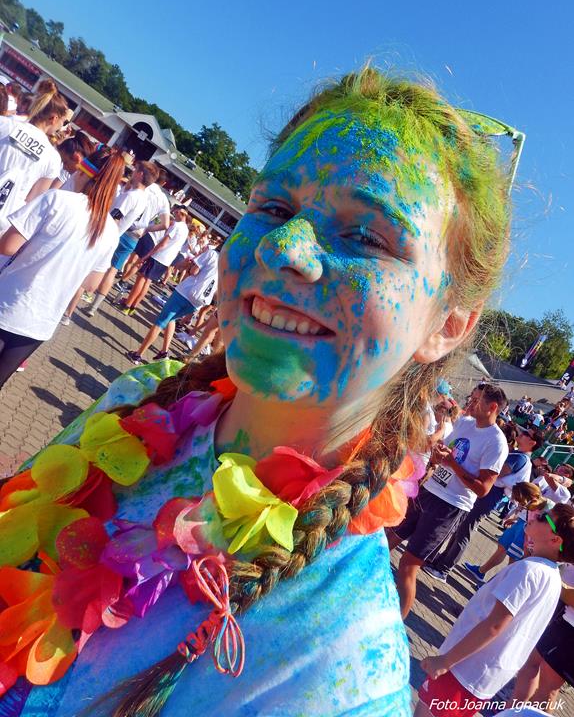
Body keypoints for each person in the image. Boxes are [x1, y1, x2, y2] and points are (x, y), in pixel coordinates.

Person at [0, 68, 515, 716]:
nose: (282, 247)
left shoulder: (347, 667)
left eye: (366, 237)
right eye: (273, 208)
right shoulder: (142, 393)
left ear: (448, 325)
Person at [416, 503, 574, 717]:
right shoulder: (552, 576)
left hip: (464, 668)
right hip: (485, 677)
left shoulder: (528, 570)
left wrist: (446, 661)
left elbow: (494, 625)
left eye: (543, 517)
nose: (536, 514)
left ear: (555, 540)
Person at [0, 146, 125, 387]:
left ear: (84, 172)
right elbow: (91, 284)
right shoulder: (110, 231)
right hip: (41, 322)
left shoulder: (56, 199)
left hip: (9, 302)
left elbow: (7, 246)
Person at [388, 382, 509, 614]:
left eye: (476, 400)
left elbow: (483, 489)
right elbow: (443, 452)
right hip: (428, 491)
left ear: (492, 407)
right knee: (388, 539)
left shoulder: (496, 442)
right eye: (471, 397)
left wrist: (452, 463)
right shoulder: (464, 422)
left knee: (407, 566)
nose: (469, 403)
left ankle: (398, 620)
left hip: (449, 506)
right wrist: (438, 455)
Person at [425, 425, 544, 582]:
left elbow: (494, 474)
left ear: (533, 443)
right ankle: (440, 562)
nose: (522, 434)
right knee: (461, 528)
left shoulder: (520, 458)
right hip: (491, 494)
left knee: (464, 530)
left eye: (527, 434)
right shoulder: (519, 456)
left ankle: (443, 569)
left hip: (491, 494)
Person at [466, 468, 571, 582]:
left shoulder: (560, 495)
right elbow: (530, 510)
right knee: (503, 547)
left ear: (568, 475)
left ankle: (497, 583)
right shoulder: (534, 502)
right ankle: (483, 573)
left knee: (514, 559)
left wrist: (560, 479)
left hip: (532, 534)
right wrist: (515, 519)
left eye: (562, 470)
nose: (558, 470)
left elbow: (549, 478)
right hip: (524, 524)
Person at [83, 160, 158, 316]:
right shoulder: (142, 198)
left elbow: (115, 216)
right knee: (112, 269)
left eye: (135, 170)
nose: (132, 172)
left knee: (94, 267)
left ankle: (84, 293)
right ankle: (94, 306)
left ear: (140, 174)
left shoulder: (131, 196)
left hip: (106, 234)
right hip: (120, 236)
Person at [126, 240, 219, 364]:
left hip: (185, 292)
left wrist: (192, 263)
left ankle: (138, 355)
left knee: (160, 322)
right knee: (171, 319)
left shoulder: (211, 254)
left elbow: (194, 271)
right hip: (198, 301)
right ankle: (163, 352)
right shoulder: (229, 265)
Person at [0, 79, 68, 239]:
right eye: (63, 122)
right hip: (4, 221)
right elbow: (32, 200)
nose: (62, 127)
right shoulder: (52, 158)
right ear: (53, 118)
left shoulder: (4, 124)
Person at [513, 559, 574, 711]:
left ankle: (519, 711)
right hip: (565, 620)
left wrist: (549, 578)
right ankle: (514, 709)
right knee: (531, 663)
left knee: (548, 688)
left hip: (570, 631)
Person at [119, 206, 190, 314]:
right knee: (147, 282)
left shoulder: (176, 225)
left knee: (141, 280)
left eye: (176, 212)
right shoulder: (185, 230)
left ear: (181, 213)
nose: (174, 214)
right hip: (166, 260)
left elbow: (163, 244)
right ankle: (133, 306)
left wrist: (147, 255)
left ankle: (127, 304)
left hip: (159, 256)